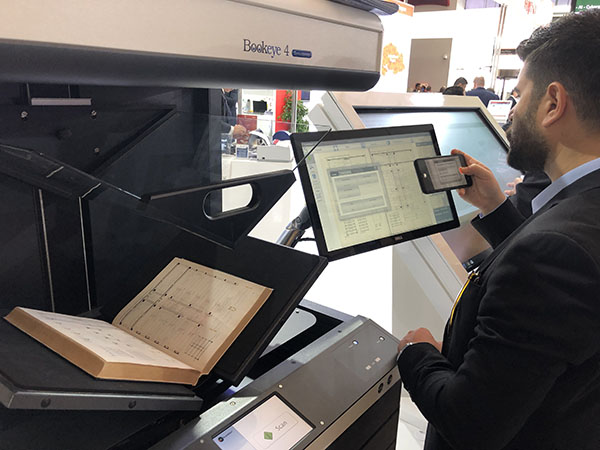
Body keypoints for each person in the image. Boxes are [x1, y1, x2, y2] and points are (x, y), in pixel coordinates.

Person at [397, 10, 600, 450]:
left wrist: (418, 353)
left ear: (553, 103)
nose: (511, 113)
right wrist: (495, 208)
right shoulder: (580, 211)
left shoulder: (553, 255)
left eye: (519, 96)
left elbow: (470, 423)